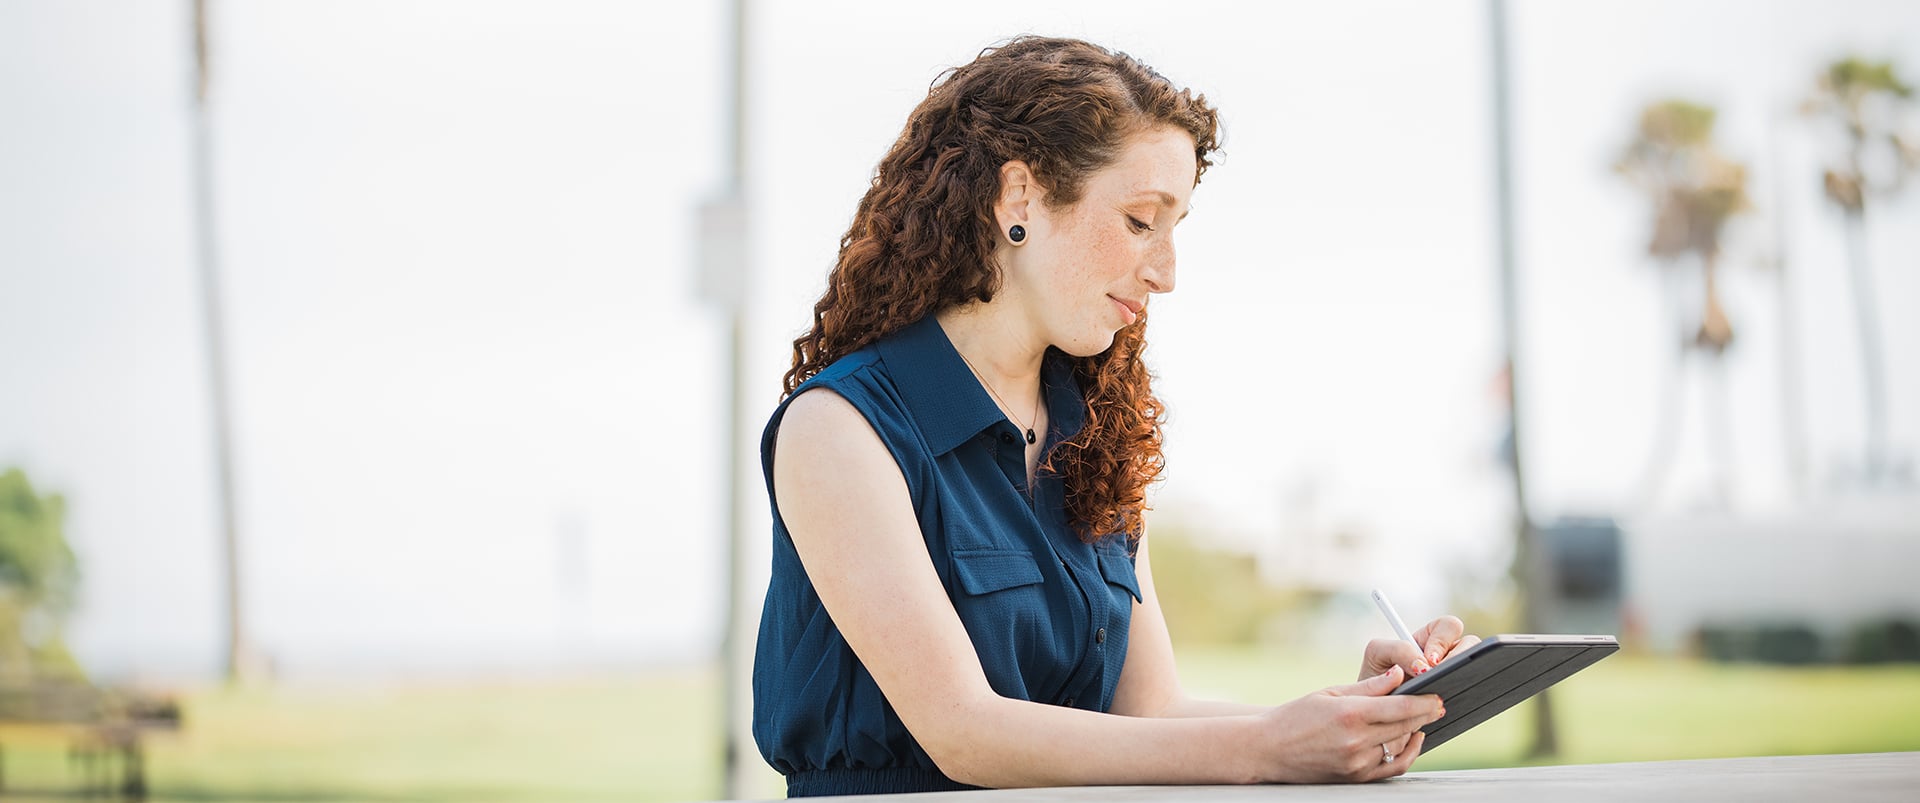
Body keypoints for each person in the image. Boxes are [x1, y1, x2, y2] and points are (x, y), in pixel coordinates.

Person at [752, 36, 1479, 796]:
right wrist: (1268, 746)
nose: (1166, 272)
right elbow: (964, 731)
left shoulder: (1095, 438)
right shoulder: (841, 427)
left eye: (1176, 229)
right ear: (1019, 200)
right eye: (1140, 221)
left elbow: (1152, 714)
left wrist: (1342, 719)